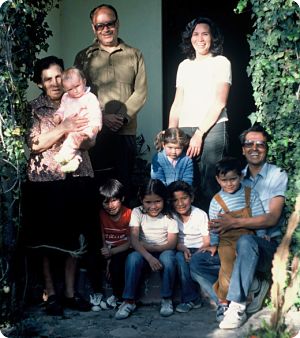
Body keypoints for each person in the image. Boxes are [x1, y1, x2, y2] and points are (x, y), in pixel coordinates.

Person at [191, 124, 288, 329]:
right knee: (197, 262)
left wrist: (235, 222)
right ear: (243, 149)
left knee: (246, 241)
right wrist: (213, 242)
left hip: (264, 245)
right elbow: (215, 221)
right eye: (249, 143)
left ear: (267, 148)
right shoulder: (234, 174)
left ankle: (237, 306)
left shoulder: (276, 175)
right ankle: (232, 298)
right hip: (230, 247)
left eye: (260, 144)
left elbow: (271, 218)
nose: (255, 148)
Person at [22, 56, 97, 315]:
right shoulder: (33, 108)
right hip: (44, 181)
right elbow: (33, 145)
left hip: (76, 176)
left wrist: (83, 138)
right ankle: (50, 294)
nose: (54, 83)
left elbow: (90, 140)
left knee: (74, 237)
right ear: (40, 83)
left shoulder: (81, 99)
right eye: (47, 79)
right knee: (45, 241)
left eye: (57, 76)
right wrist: (64, 126)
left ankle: (69, 292)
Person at [74, 4, 147, 200]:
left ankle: (123, 230)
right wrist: (102, 118)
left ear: (118, 23)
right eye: (100, 25)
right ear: (93, 28)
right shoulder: (84, 57)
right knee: (96, 186)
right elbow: (76, 95)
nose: (106, 29)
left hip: (125, 132)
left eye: (110, 23)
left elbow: (141, 92)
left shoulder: (134, 54)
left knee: (124, 186)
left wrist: (122, 118)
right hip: (95, 133)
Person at [168, 16, 232, 211]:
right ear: (190, 38)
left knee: (210, 184)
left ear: (213, 38)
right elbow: (177, 102)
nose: (200, 38)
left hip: (212, 129)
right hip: (185, 129)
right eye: (195, 34)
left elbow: (220, 101)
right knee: (185, 184)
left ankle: (214, 233)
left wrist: (199, 133)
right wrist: (171, 134)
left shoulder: (221, 62)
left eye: (205, 34)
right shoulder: (184, 65)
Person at [209, 156, 266, 322]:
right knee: (226, 270)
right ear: (218, 180)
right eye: (224, 180)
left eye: (233, 179)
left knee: (244, 264)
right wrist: (213, 244)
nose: (229, 184)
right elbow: (213, 225)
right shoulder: (216, 201)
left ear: (241, 176)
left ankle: (248, 291)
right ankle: (224, 302)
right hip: (226, 240)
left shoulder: (250, 194)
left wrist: (262, 235)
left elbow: (259, 217)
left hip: (248, 238)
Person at [115, 179, 178, 319]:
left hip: (164, 250)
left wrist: (151, 248)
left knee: (168, 258)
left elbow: (172, 244)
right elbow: (134, 240)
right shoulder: (137, 212)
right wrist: (149, 257)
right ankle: (129, 300)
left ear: (164, 200)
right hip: (143, 253)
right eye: (148, 202)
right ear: (141, 200)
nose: (153, 206)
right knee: (132, 258)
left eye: (157, 201)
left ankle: (167, 298)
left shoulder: (170, 215)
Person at [168, 180, 215, 313]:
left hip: (200, 248)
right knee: (179, 258)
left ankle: (206, 295)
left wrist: (197, 253)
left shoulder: (200, 214)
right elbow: (172, 240)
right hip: (180, 248)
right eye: (175, 200)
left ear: (192, 198)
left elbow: (207, 241)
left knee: (196, 260)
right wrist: (181, 248)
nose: (180, 203)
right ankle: (190, 299)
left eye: (184, 198)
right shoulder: (170, 215)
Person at [92, 179, 132, 311]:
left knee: (117, 266)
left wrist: (112, 255)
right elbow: (103, 237)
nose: (110, 205)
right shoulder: (101, 215)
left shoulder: (129, 214)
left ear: (122, 198)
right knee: (92, 259)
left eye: (114, 200)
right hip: (107, 249)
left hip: (122, 248)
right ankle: (97, 294)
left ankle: (118, 297)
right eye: (106, 202)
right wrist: (107, 257)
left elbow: (130, 242)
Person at [53, 67, 102, 173]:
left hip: (86, 129)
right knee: (72, 143)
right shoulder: (66, 97)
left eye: (77, 86)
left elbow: (96, 113)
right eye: (70, 89)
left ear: (84, 82)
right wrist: (58, 116)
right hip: (70, 129)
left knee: (72, 140)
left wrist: (96, 127)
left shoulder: (90, 97)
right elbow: (62, 108)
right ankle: (74, 161)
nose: (75, 91)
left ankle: (63, 157)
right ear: (65, 89)